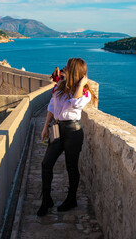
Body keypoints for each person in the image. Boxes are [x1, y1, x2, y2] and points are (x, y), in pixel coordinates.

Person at [37, 58, 97, 217]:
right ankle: (46, 200)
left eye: (67, 67)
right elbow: (51, 106)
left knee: (71, 167)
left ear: (74, 72)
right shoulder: (59, 87)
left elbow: (76, 103)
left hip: (73, 131)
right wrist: (45, 126)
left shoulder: (84, 93)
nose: (64, 68)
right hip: (57, 128)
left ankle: (71, 199)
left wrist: (80, 84)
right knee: (46, 164)